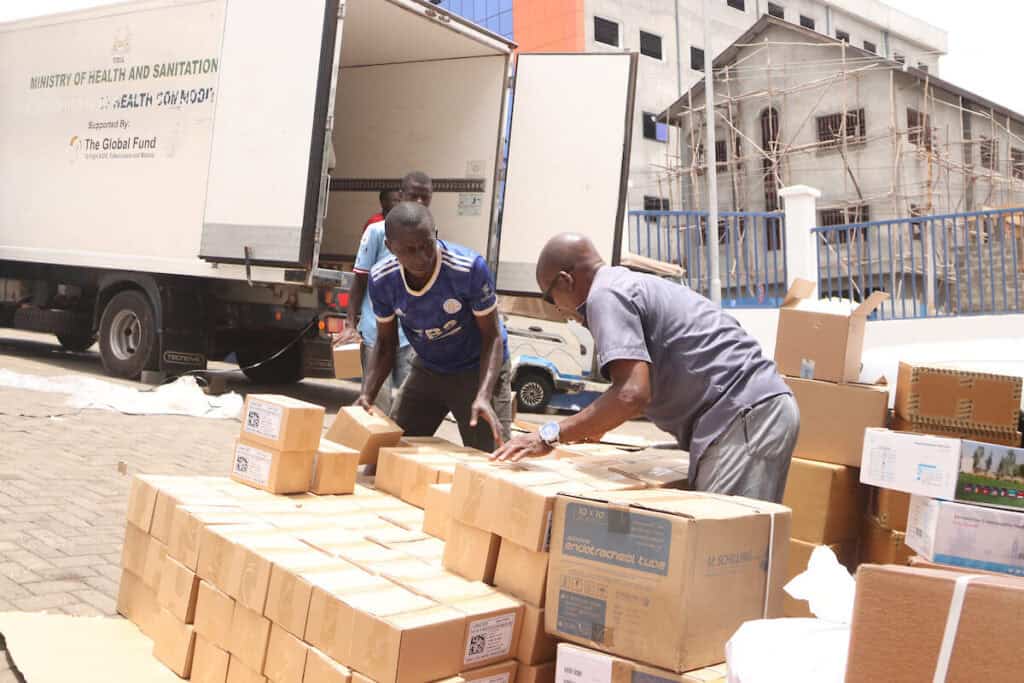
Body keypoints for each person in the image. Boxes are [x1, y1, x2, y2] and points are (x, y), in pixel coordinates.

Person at [491, 232, 799, 503]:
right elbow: (640, 391)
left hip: (741, 416)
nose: (557, 308)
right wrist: (595, 422)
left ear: (566, 280)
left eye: (550, 297)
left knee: (723, 551)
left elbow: (631, 394)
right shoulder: (626, 284)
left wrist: (549, 434)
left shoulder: (604, 296)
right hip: (750, 411)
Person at [355, 201, 512, 451]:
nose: (421, 257)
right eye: (409, 250)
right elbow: (385, 344)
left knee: (491, 460)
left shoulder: (468, 269)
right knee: (390, 452)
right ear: (390, 247)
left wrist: (484, 394)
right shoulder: (382, 279)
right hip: (429, 367)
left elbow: (491, 337)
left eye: (426, 245)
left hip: (476, 367)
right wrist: (367, 394)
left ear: (435, 235)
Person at [343, 172, 433, 414]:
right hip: (376, 333)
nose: (420, 202)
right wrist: (350, 324)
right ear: (401, 197)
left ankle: (397, 450)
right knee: (376, 404)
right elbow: (360, 279)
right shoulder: (376, 232)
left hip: (411, 335)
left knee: (409, 405)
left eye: (426, 198)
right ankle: (379, 449)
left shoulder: (429, 233)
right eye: (414, 196)